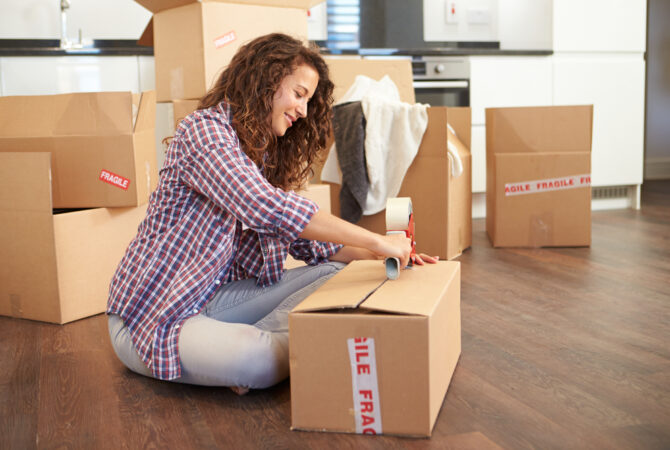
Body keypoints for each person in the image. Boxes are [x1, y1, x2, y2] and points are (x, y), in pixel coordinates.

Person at [107, 33, 438, 395]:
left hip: (213, 298)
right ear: (265, 81)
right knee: (258, 361)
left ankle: (262, 347)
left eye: (309, 101)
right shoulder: (203, 132)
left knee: (336, 272)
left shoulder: (260, 157)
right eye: (299, 95)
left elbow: (315, 246)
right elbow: (264, 206)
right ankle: (266, 350)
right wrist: (374, 237)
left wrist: (384, 256)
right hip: (156, 315)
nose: (303, 111)